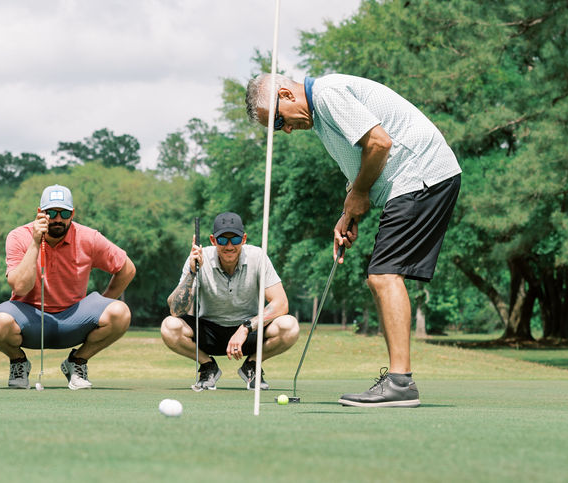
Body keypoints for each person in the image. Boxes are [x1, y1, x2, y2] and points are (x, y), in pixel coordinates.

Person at [246, 73, 461, 407]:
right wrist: (350, 209)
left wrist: (360, 193)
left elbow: (380, 143)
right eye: (277, 128)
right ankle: (399, 381)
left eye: (278, 121)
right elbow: (360, 159)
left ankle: (400, 383)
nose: (285, 130)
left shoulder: (327, 95)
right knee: (381, 276)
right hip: (415, 179)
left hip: (420, 175)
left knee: (384, 275)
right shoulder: (320, 116)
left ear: (286, 94)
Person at [0, 184, 136, 390]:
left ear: (72, 214)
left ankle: (77, 361)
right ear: (40, 213)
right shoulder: (18, 236)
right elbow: (20, 287)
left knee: (120, 313)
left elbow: (127, 269)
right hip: (30, 318)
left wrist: (106, 300)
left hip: (74, 318)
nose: (57, 219)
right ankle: (18, 362)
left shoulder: (89, 237)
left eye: (64, 213)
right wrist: (35, 242)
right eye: (51, 213)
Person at [160, 211, 299, 391]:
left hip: (249, 333)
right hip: (209, 332)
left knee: (290, 326)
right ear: (213, 240)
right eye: (222, 240)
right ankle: (207, 366)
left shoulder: (258, 256)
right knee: (169, 326)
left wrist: (245, 328)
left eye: (235, 239)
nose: (229, 246)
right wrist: (192, 273)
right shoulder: (198, 257)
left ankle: (252, 365)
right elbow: (176, 310)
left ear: (244, 239)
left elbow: (281, 303)